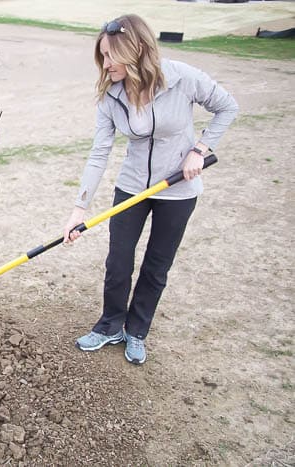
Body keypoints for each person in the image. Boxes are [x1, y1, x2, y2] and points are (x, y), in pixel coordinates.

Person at [64, 14, 238, 365]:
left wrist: (198, 150)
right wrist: (79, 210)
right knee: (118, 262)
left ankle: (137, 330)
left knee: (157, 266)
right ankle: (110, 324)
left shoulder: (182, 77)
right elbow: (100, 152)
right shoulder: (111, 95)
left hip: (178, 191)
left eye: (111, 56)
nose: (106, 64)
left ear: (136, 49)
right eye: (102, 56)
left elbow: (227, 107)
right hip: (131, 188)